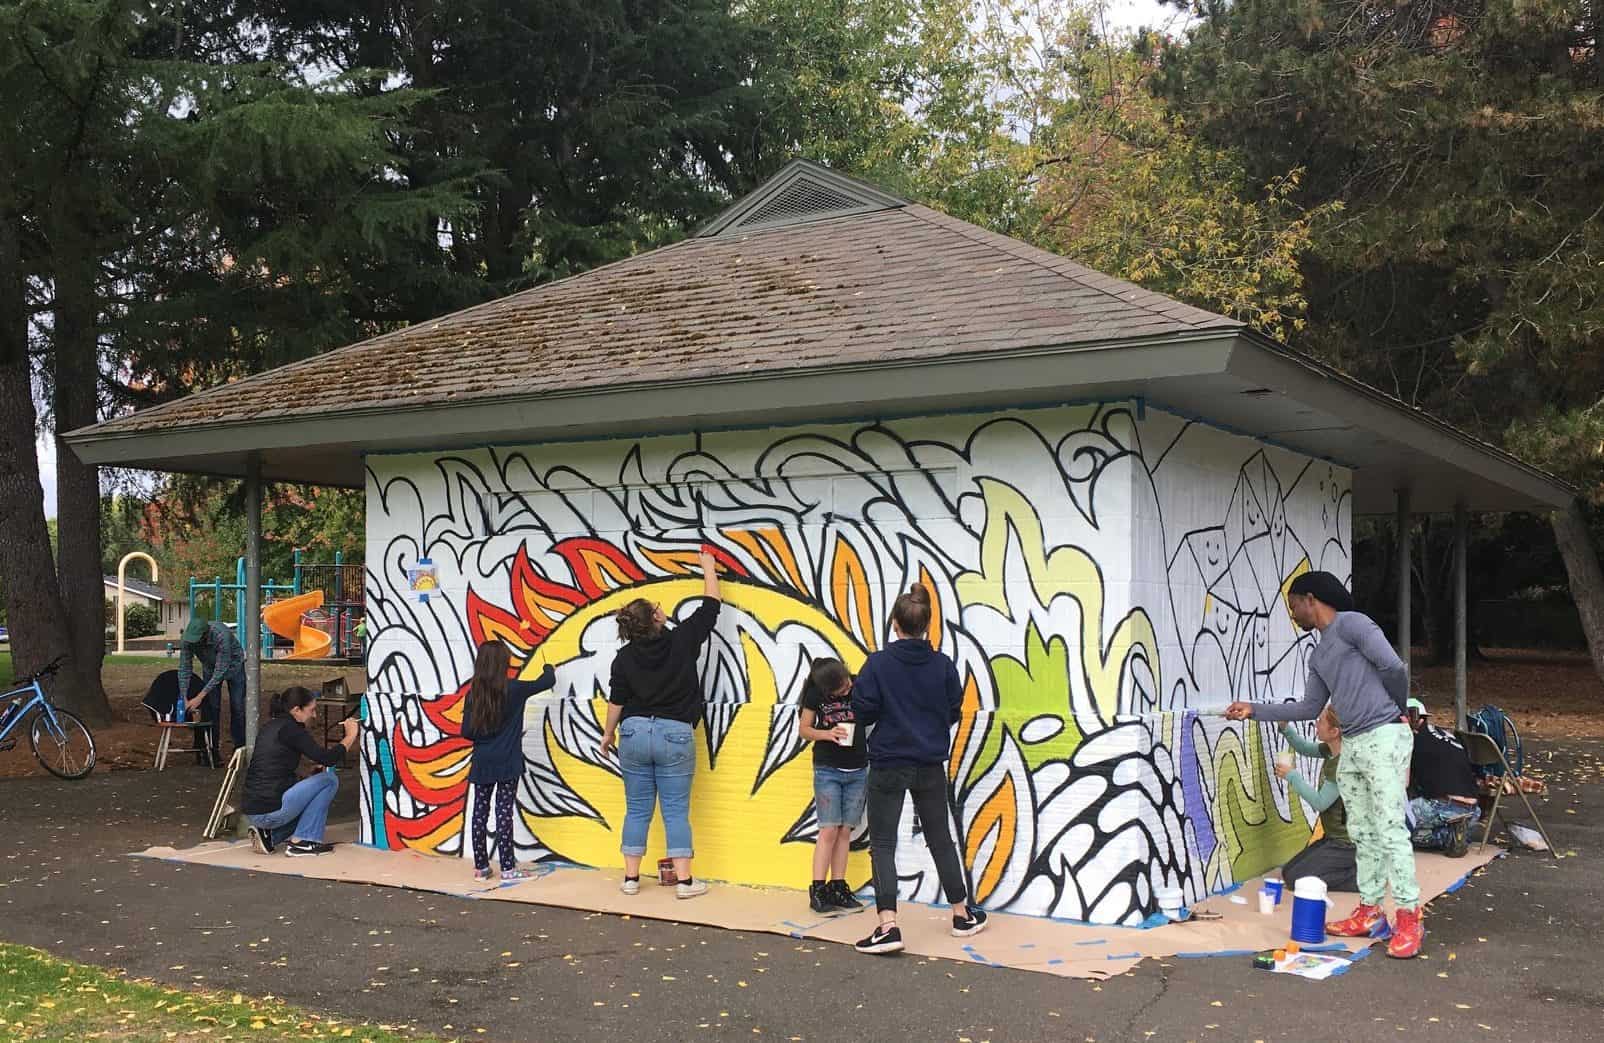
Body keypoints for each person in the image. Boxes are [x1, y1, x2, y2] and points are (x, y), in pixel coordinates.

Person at [1226, 570, 1425, 959]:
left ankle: (1408, 917)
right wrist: (1253, 710)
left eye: (1294, 604)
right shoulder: (1319, 653)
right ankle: (1370, 911)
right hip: (1352, 743)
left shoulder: (1353, 624)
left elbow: (1394, 667)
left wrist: (1399, 713)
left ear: (1311, 598)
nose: (1292, 612)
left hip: (1384, 734)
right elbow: (1308, 708)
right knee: (1363, 831)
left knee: (1389, 829)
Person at [850, 583, 985, 955]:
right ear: (927, 625)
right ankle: (961, 914)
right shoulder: (942, 665)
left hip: (888, 763)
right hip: (929, 764)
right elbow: (954, 709)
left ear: (895, 623)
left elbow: (862, 711)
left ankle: (888, 926)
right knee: (940, 837)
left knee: (882, 844)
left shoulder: (877, 664)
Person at [599, 548, 721, 900]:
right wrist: (708, 568)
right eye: (657, 607)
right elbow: (711, 606)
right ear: (655, 618)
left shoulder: (623, 658)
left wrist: (608, 735)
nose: (661, 609)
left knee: (637, 807)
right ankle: (684, 883)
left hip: (634, 732)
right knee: (675, 811)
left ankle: (631, 879)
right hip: (675, 733)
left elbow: (616, 701)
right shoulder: (681, 640)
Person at [460, 641, 557, 881]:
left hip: (482, 760)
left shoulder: (474, 694)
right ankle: (507, 868)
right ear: (503, 663)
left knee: (479, 813)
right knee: (504, 813)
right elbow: (546, 682)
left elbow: (466, 731)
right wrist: (548, 668)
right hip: (508, 760)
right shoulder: (514, 689)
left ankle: (481, 867)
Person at [243, 686, 359, 857]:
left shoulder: (270, 726)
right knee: (329, 780)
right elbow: (328, 758)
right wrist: (350, 735)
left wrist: (309, 776)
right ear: (296, 709)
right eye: (311, 710)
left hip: (255, 809)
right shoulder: (292, 729)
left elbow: (274, 767)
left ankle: (271, 835)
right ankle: (304, 841)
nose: (314, 715)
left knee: (317, 785)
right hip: (269, 810)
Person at [797, 657, 866, 914]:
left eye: (848, 684)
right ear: (828, 691)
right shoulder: (816, 694)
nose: (848, 690)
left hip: (858, 768)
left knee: (845, 831)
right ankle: (818, 888)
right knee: (829, 830)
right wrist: (827, 734)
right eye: (842, 691)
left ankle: (838, 886)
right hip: (828, 769)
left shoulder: (859, 684)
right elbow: (804, 729)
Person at [1276, 708, 1358, 892]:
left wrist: (1292, 776)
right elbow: (1304, 748)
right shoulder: (1331, 751)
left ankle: (1362, 878)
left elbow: (1320, 802)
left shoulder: (1343, 764)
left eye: (1321, 721)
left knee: (1295, 879)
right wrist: (1284, 727)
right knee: (1289, 871)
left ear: (1334, 732)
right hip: (1333, 838)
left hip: (1348, 844)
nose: (1316, 724)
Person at [1405, 698, 1479, 856]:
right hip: (1473, 809)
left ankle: (1446, 836)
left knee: (1392, 826)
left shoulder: (1410, 741)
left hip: (1443, 805)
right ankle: (1455, 832)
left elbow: (1404, 782)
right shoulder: (1444, 734)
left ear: (1412, 718)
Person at [177, 617, 247, 750]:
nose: (194, 643)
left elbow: (220, 671)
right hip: (209, 666)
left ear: (205, 634)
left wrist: (199, 697)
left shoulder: (222, 636)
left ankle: (240, 746)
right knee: (212, 707)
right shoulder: (187, 640)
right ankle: (212, 747)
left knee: (237, 706)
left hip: (234, 666)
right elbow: (184, 668)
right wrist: (184, 696)